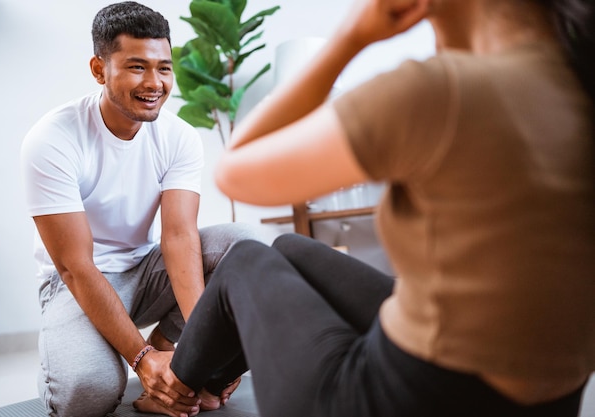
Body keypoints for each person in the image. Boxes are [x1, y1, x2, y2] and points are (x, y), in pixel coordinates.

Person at [127, 0, 595, 416]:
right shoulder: (573, 80)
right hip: (551, 395)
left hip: (412, 394)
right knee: (291, 248)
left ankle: (174, 388)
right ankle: (207, 384)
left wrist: (353, 37)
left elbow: (237, 172)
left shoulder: (441, 90)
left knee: (246, 258)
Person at [19, 2, 260, 416]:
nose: (155, 83)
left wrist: (192, 362)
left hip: (147, 271)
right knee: (87, 394)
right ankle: (87, 358)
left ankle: (170, 360)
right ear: (99, 69)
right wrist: (142, 360)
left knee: (245, 245)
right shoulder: (52, 139)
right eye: (136, 67)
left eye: (164, 68)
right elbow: (76, 266)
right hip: (76, 283)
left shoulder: (178, 137)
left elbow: (180, 236)